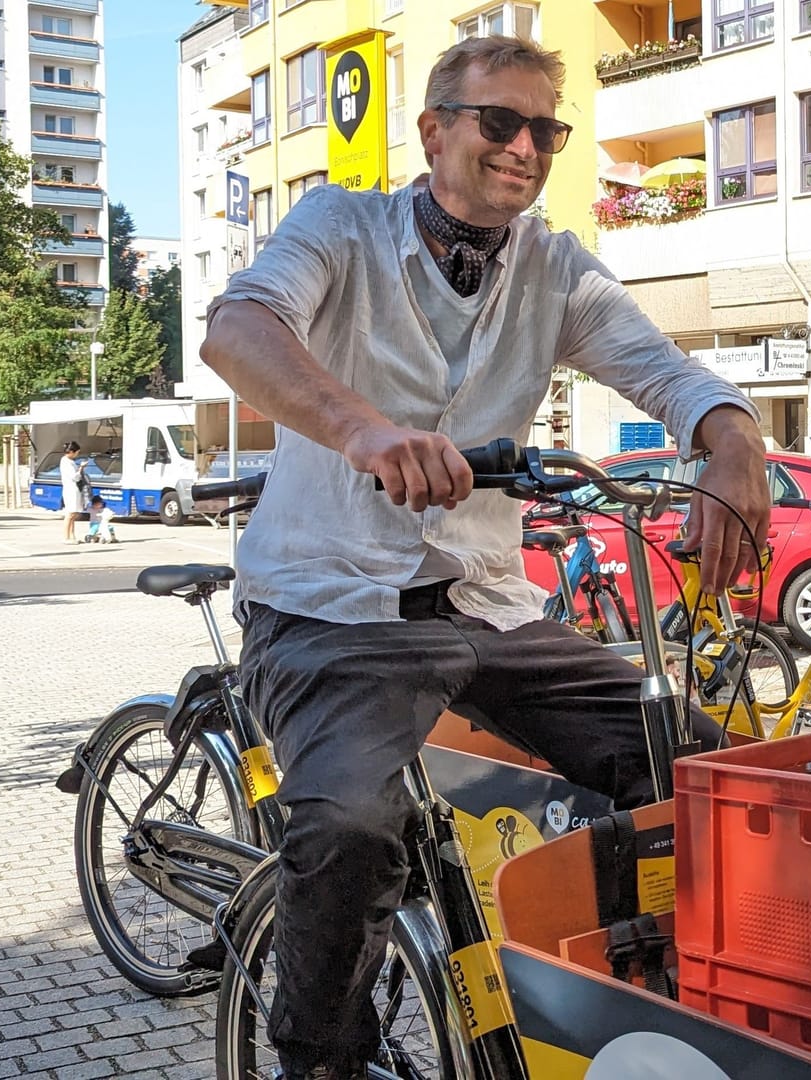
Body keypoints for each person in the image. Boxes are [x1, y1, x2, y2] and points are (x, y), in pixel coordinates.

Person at [196, 36, 769, 1080]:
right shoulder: (340, 223)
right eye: (497, 122)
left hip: (488, 609)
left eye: (544, 129)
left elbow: (667, 374)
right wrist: (361, 429)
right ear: (434, 131)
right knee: (348, 825)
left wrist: (735, 445)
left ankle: (646, 997)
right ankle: (314, 1057)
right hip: (335, 612)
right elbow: (239, 329)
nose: (524, 148)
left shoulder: (554, 267)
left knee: (700, 766)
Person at [58, 441, 88, 542]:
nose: (77, 455)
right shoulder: (66, 462)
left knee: (73, 514)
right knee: (70, 514)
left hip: (73, 489)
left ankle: (72, 535)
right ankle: (66, 537)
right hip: (70, 489)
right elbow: (74, 477)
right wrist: (81, 468)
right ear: (71, 452)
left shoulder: (69, 461)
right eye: (76, 453)